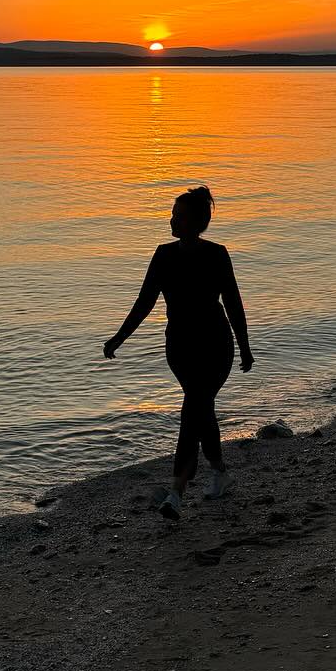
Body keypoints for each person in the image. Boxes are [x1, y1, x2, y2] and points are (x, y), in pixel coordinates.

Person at [103, 186, 254, 519]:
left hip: (216, 345)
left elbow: (232, 302)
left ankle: (176, 491)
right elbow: (144, 302)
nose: (171, 220)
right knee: (201, 409)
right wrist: (119, 338)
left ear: (196, 222)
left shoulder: (217, 254)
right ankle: (219, 471)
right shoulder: (164, 255)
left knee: (194, 408)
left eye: (178, 215)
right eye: (172, 214)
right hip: (181, 348)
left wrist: (244, 346)